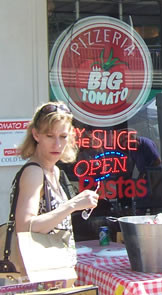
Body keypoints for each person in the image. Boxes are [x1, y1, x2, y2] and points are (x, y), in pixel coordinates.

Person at [13, 101, 99, 241]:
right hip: (39, 261)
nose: (57, 144)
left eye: (63, 136)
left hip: (57, 259)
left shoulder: (54, 171)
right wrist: (73, 205)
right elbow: (24, 227)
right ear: (36, 135)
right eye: (50, 136)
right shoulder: (34, 172)